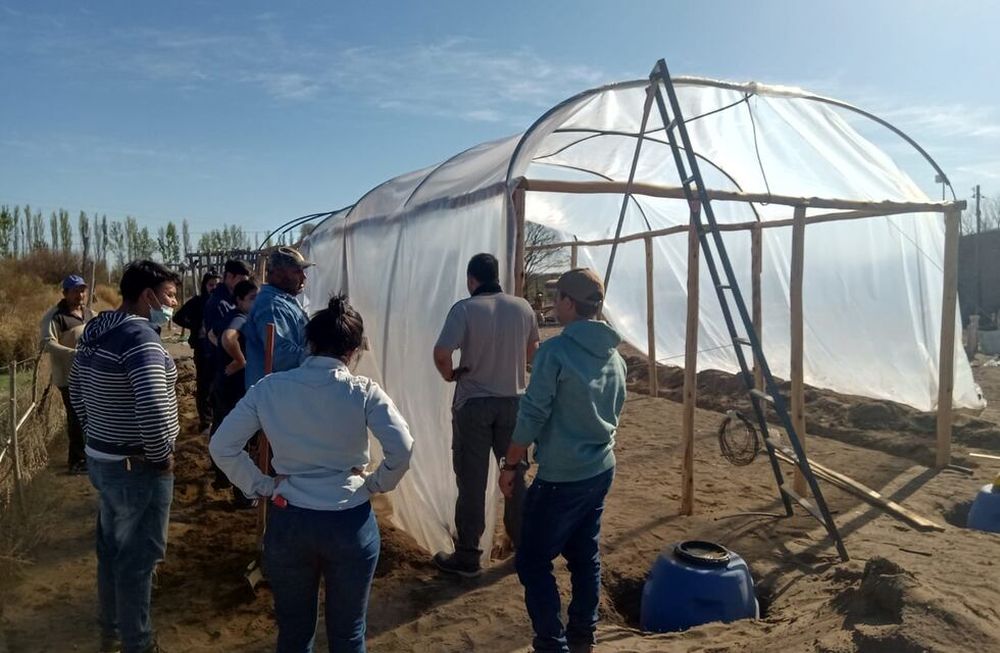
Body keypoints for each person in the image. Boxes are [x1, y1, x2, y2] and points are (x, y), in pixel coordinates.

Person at [210, 295, 413, 653]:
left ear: (310, 343)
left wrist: (261, 485)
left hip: (290, 518)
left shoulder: (269, 388)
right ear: (353, 351)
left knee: (293, 633)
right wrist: (374, 484)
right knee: (348, 633)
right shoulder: (363, 391)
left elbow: (222, 446)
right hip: (350, 521)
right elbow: (403, 447)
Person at [499, 268, 626, 653]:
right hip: (599, 469)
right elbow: (616, 410)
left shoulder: (555, 353)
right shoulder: (615, 357)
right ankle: (582, 636)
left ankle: (551, 644)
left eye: (557, 298)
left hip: (561, 478)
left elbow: (532, 414)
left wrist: (510, 465)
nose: (553, 304)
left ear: (570, 303)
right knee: (584, 556)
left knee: (533, 561)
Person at [69, 260, 181, 653]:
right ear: (148, 295)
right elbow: (152, 404)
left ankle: (112, 630)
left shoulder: (97, 331)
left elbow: (76, 389)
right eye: (169, 295)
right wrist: (160, 455)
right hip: (138, 465)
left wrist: (97, 436)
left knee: (112, 550)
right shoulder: (141, 339)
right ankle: (139, 642)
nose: (173, 304)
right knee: (138, 559)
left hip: (105, 459)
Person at [431, 252, 540, 577]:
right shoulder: (523, 307)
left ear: (471, 279)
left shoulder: (465, 309)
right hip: (514, 403)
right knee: (515, 474)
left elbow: (441, 353)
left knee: (472, 480)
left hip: (474, 404)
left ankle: (468, 556)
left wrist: (450, 375)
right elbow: (533, 352)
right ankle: (523, 545)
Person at [39, 274, 94, 474]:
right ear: (65, 293)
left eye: (82, 290)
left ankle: (88, 456)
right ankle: (76, 461)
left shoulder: (88, 313)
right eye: (75, 291)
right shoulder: (55, 316)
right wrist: (74, 353)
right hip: (69, 377)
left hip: (88, 375)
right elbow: (47, 343)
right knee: (76, 417)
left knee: (88, 416)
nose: (80, 295)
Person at [208, 279, 258, 495]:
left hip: (222, 381)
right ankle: (242, 493)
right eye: (252, 298)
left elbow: (211, 334)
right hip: (235, 387)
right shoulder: (240, 318)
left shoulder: (229, 315)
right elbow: (229, 338)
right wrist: (240, 360)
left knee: (221, 430)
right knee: (239, 438)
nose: (256, 303)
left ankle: (222, 478)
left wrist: (223, 357)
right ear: (239, 300)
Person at [243, 246, 313, 389]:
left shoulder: (283, 301)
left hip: (281, 391)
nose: (304, 276)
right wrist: (320, 356)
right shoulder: (272, 306)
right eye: (297, 271)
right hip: (273, 394)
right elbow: (282, 357)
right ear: (278, 274)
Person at [172, 271, 221, 432]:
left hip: (219, 349)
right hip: (202, 348)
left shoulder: (223, 302)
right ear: (205, 285)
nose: (214, 288)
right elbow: (178, 317)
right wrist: (195, 325)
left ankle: (216, 418)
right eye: (211, 285)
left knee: (218, 384)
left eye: (217, 285)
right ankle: (205, 422)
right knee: (204, 385)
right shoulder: (198, 302)